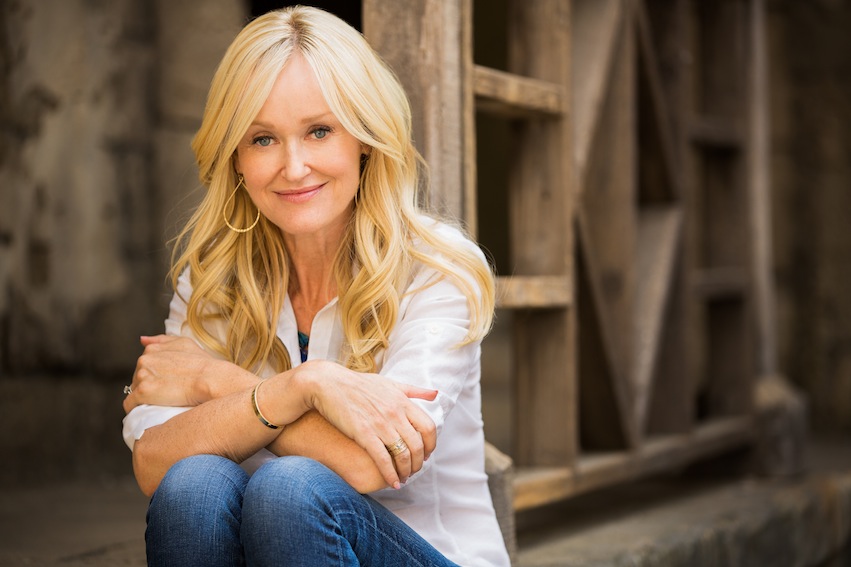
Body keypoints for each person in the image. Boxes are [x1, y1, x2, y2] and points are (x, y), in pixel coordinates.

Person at [121, 5, 510, 567]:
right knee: (193, 487)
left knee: (291, 490)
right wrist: (306, 390)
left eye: (319, 131)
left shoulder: (435, 268)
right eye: (262, 140)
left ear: (365, 140)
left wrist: (217, 381)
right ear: (234, 158)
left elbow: (371, 463)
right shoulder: (213, 280)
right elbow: (154, 463)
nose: (294, 166)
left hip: (429, 554)